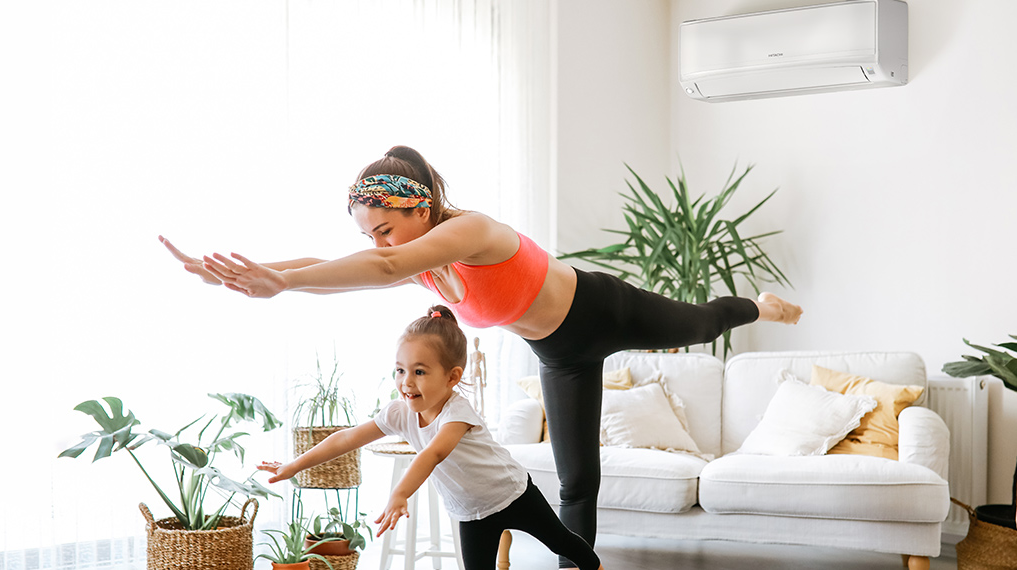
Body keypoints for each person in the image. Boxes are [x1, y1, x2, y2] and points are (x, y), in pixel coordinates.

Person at [163, 144, 802, 569]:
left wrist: (284, 286)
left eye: (384, 227)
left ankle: (759, 305)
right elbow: (325, 261)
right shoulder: (419, 260)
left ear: (419, 208)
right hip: (558, 351)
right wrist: (243, 272)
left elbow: (381, 265)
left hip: (603, 308)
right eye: (370, 233)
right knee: (579, 479)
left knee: (699, 322)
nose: (379, 242)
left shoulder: (468, 231)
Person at [257, 306, 605, 570]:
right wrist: (294, 465)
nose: (407, 382)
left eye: (420, 372)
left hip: (513, 493)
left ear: (452, 376)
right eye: (400, 370)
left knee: (562, 542)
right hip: (472, 512)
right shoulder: (399, 412)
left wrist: (399, 494)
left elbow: (434, 454)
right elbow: (346, 438)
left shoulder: (458, 413)